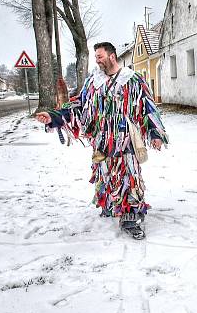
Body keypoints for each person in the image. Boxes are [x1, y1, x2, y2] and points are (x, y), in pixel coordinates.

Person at [35, 41, 167, 240]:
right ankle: (109, 203)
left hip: (126, 141)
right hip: (102, 141)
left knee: (128, 177)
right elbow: (78, 105)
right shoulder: (92, 82)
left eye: (99, 56)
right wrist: (54, 117)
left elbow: (148, 107)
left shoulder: (132, 80)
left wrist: (155, 134)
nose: (97, 61)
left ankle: (130, 217)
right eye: (96, 57)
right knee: (104, 175)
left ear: (112, 56)